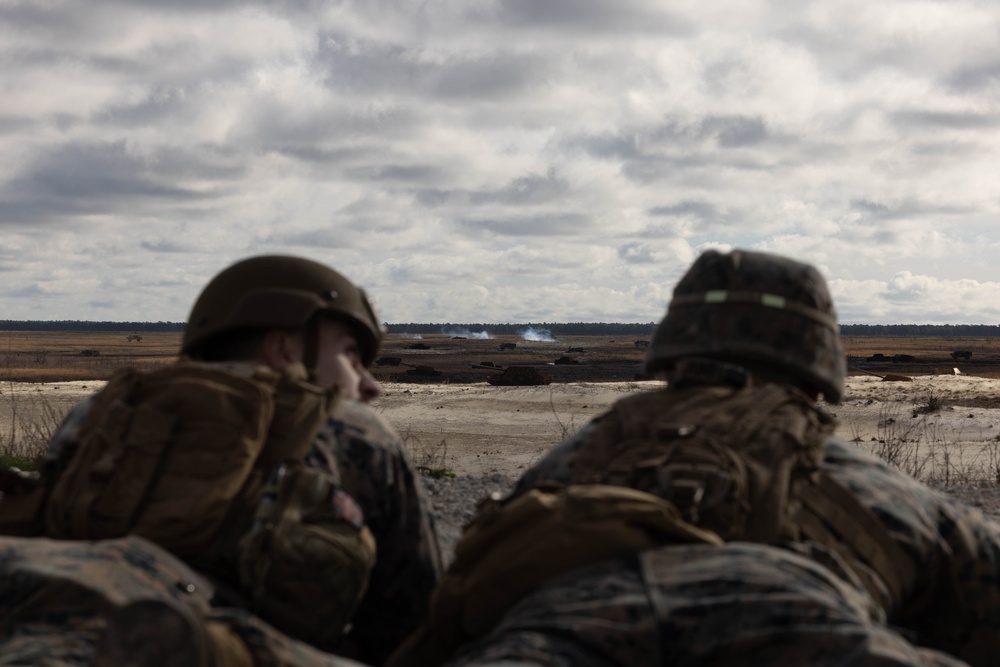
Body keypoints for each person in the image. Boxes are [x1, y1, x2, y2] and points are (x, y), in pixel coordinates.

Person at [390, 249, 1000, 667]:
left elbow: (456, 609)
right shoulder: (876, 492)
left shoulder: (569, 465)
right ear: (817, 370)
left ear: (673, 352)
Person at [0, 255, 443, 666]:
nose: (371, 385)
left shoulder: (99, 408)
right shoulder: (355, 427)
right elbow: (412, 621)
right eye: (351, 354)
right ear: (283, 349)